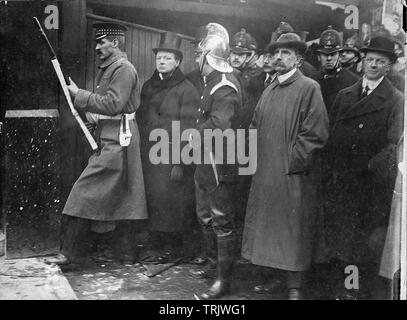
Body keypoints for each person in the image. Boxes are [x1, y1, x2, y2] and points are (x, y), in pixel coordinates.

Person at [241, 33, 329, 300]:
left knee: (292, 231)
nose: (279, 58)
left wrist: (293, 163)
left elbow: (315, 133)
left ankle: (295, 286)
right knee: (269, 229)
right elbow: (254, 126)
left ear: (299, 59)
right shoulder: (269, 89)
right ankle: (275, 279)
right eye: (276, 53)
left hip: (292, 175)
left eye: (286, 54)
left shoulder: (309, 87)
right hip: (265, 173)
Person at [58, 23, 148, 269]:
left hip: (119, 140)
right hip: (112, 138)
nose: (97, 47)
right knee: (121, 196)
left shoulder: (123, 69)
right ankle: (125, 254)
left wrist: (80, 94)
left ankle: (73, 255)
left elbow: (112, 104)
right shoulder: (113, 68)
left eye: (102, 42)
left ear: (115, 43)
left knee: (85, 191)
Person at [322, 36, 403, 299]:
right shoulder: (344, 96)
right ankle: (342, 289)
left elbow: (393, 146)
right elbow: (331, 136)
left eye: (381, 61)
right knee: (341, 239)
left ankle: (352, 292)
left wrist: (368, 167)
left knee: (360, 242)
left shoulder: (396, 101)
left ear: (389, 66)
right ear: (362, 62)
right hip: (341, 180)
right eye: (370, 60)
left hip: (369, 185)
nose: (374, 65)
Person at [136, 32, 200, 263]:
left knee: (172, 205)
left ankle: (173, 249)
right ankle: (158, 245)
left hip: (172, 157)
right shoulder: (149, 86)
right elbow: (141, 119)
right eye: (159, 58)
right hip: (149, 155)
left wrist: (180, 162)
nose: (161, 62)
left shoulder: (187, 89)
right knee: (154, 202)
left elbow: (188, 128)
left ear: (178, 62)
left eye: (167, 58)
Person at [190, 23, 242, 299]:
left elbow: (219, 126)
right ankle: (213, 266)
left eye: (199, 56)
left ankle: (224, 282)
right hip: (207, 160)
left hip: (220, 162)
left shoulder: (223, 86)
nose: (196, 61)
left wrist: (191, 135)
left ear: (209, 58)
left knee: (222, 221)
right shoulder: (212, 83)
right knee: (207, 215)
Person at [311, 26, 359, 116]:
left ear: (340, 56)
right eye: (325, 54)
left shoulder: (354, 82)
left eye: (333, 54)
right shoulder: (311, 81)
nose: (329, 58)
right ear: (318, 57)